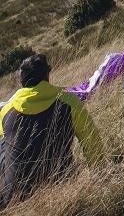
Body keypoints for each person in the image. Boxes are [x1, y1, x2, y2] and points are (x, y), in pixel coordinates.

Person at [0, 54, 104, 204]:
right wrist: (100, 173)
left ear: (22, 82)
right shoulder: (68, 101)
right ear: (47, 75)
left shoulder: (7, 110)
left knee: (3, 143)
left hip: (13, 197)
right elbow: (92, 142)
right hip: (60, 182)